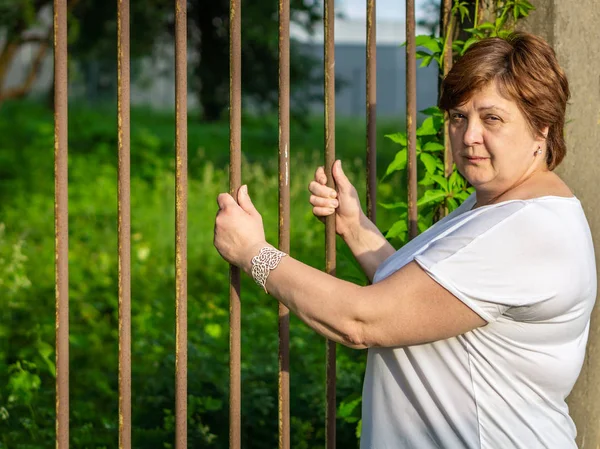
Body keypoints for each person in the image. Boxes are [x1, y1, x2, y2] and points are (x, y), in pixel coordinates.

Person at [213, 32, 596, 449]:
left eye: (492, 119)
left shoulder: (524, 229)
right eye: (458, 117)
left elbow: (364, 321)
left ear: (541, 127)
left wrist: (254, 253)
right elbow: (427, 299)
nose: (468, 136)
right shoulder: (498, 205)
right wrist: (356, 227)